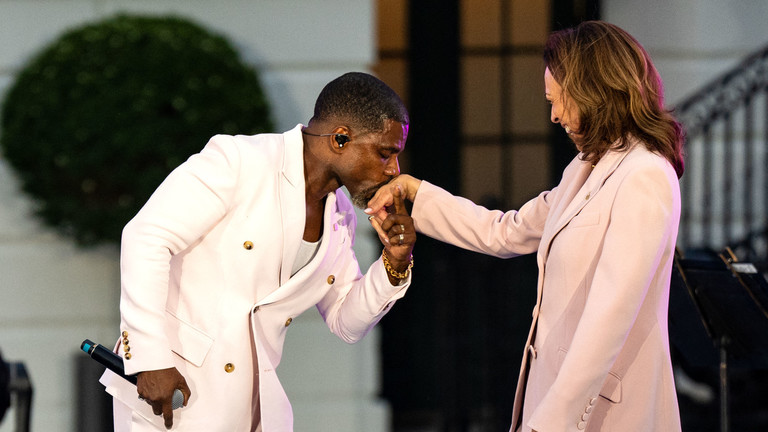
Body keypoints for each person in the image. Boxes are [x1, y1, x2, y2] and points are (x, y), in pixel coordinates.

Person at [367, 21, 685, 432]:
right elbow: (505, 231)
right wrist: (417, 194)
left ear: (594, 91)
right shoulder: (583, 169)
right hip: (553, 403)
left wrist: (550, 422)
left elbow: (609, 316)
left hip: (606, 416)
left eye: (558, 100)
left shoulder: (644, 175)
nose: (553, 116)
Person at [100, 71, 417, 431]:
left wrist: (395, 260)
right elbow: (146, 237)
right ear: (340, 138)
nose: (394, 170)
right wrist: (149, 357)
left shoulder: (339, 211)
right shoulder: (239, 160)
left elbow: (346, 321)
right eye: (384, 153)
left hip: (254, 410)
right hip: (172, 398)